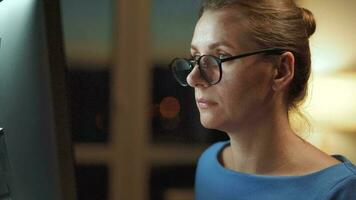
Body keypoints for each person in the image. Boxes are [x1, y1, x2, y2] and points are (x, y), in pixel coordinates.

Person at [170, 0, 356, 199]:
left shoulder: (341, 191)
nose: (192, 78)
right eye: (196, 56)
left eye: (220, 56)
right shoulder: (209, 165)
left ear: (280, 71)